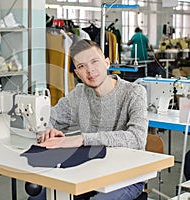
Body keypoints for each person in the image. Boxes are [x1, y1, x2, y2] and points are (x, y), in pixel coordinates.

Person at [38, 39, 148, 200]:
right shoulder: (80, 93)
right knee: (42, 197)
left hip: (127, 176)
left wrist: (83, 139)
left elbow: (137, 138)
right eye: (82, 66)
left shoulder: (134, 92)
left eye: (94, 62)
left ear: (107, 63)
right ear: (77, 73)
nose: (90, 70)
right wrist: (47, 129)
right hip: (89, 171)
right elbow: (50, 117)